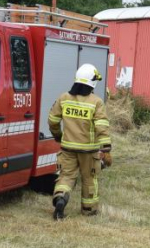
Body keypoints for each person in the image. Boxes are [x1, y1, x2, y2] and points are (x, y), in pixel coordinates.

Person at [48, 64, 112, 219]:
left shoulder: (63, 98)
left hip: (68, 148)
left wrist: (58, 135)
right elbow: (101, 127)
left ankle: (60, 198)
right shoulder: (96, 102)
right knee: (89, 179)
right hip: (88, 151)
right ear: (92, 82)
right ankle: (89, 211)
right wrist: (106, 150)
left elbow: (52, 120)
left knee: (66, 177)